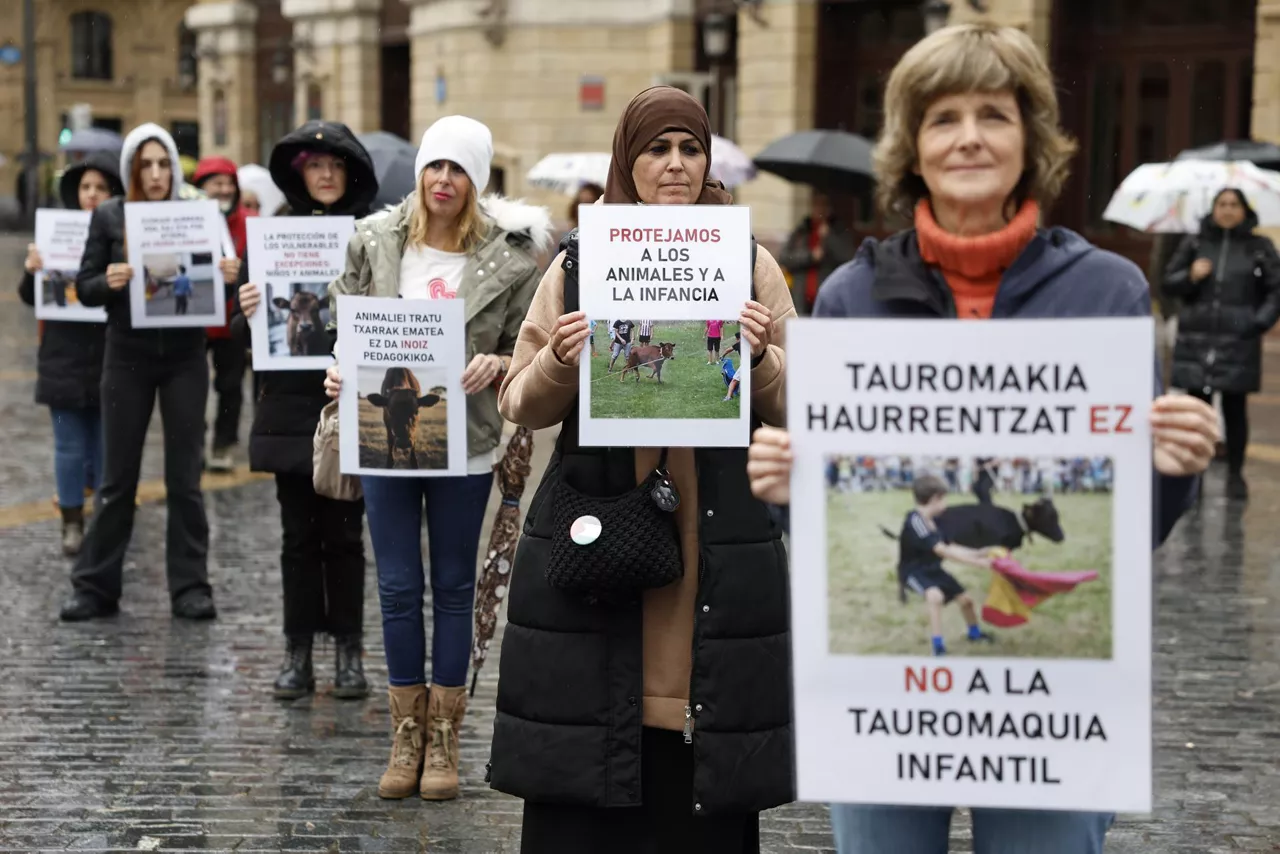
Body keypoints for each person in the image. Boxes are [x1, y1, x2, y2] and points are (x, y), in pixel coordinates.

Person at [743, 23, 1218, 854]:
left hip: (1055, 702)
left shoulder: (1107, 290)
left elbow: (1130, 529)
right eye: (943, 117)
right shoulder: (853, 295)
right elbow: (832, 537)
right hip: (884, 700)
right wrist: (789, 490)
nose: (969, 136)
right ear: (912, 148)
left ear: (1031, 141)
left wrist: (1174, 466)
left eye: (995, 115)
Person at [489, 85, 796, 853]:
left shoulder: (749, 261)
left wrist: (758, 358)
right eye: (656, 148)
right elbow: (519, 402)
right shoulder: (579, 263)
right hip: (601, 532)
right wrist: (562, 359)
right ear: (627, 159)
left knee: (700, 723)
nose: (675, 165)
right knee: (594, 742)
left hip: (715, 536)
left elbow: (808, 404)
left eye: (690, 148)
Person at [323, 115, 550, 801]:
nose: (444, 180)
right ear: (420, 174)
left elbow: (525, 349)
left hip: (467, 442)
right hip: (383, 437)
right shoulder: (374, 242)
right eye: (435, 167)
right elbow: (346, 321)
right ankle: (406, 733)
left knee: (453, 586)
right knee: (396, 588)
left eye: (459, 170)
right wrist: (337, 371)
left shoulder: (509, 261)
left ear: (476, 182)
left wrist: (500, 360)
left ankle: (445, 735)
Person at [60, 123, 241, 622]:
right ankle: (95, 586)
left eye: (165, 163)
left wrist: (230, 277)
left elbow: (222, 292)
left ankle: (190, 587)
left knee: (185, 477)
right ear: (132, 170)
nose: (157, 173)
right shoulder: (110, 216)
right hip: (127, 355)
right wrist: (109, 280)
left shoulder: (196, 215)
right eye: (147, 164)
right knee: (118, 478)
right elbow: (85, 285)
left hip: (185, 356)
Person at [233, 121, 378, 701]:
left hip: (346, 399)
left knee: (344, 533)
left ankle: (348, 649)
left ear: (350, 174)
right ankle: (297, 649)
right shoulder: (270, 237)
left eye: (335, 165)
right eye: (314, 165)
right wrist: (247, 310)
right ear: (298, 174)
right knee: (297, 535)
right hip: (289, 405)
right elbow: (252, 339)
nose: (324, 174)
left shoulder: (371, 237)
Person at [18, 151, 123, 555]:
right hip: (62, 356)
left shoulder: (121, 236)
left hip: (108, 353)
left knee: (102, 443)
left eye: (100, 187)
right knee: (68, 445)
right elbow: (30, 298)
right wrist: (33, 270)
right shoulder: (53, 233)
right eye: (85, 187)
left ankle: (102, 516)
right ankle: (72, 523)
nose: (92, 194)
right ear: (75, 192)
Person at [1164, 187, 1280, 500]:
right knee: (1196, 410)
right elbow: (1168, 281)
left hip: (1237, 340)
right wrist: (1191, 275)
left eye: (1234, 204)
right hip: (1197, 338)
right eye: (1221, 204)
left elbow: (1275, 290)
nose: (1227, 210)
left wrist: (1258, 322)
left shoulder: (1259, 247)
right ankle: (1194, 475)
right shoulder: (1196, 243)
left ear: (1244, 210)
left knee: (1234, 409)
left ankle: (1235, 473)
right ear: (1213, 209)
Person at [193, 156, 252, 472]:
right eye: (216, 183)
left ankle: (224, 443)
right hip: (195, 320)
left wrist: (241, 272)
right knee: (193, 387)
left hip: (232, 321)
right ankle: (195, 442)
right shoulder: (186, 221)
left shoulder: (250, 222)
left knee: (230, 386)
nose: (224, 189)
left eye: (229, 183)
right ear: (201, 188)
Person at [897, 474, 996, 655]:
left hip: (934, 570)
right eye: (944, 498)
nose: (946, 503)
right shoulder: (915, 521)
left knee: (966, 601)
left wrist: (978, 552)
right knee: (935, 596)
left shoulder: (935, 521)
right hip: (914, 572)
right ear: (935, 499)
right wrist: (977, 563)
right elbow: (941, 551)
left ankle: (975, 634)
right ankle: (938, 645)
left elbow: (950, 546)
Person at [778, 191, 856, 315]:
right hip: (801, 297)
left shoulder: (839, 231)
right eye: (816, 205)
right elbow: (785, 258)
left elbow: (848, 258)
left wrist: (829, 238)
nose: (820, 210)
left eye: (823, 205)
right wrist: (810, 256)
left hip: (825, 296)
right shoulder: (802, 231)